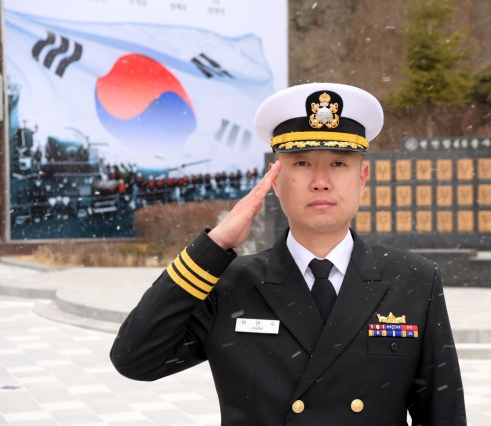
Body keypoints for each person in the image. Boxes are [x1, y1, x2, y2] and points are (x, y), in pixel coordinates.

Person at [110, 83, 466, 425]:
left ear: (363, 177)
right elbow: (135, 359)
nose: (321, 181)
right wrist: (213, 247)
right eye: (301, 163)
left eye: (339, 164)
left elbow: (442, 413)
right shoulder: (232, 284)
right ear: (275, 180)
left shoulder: (413, 279)